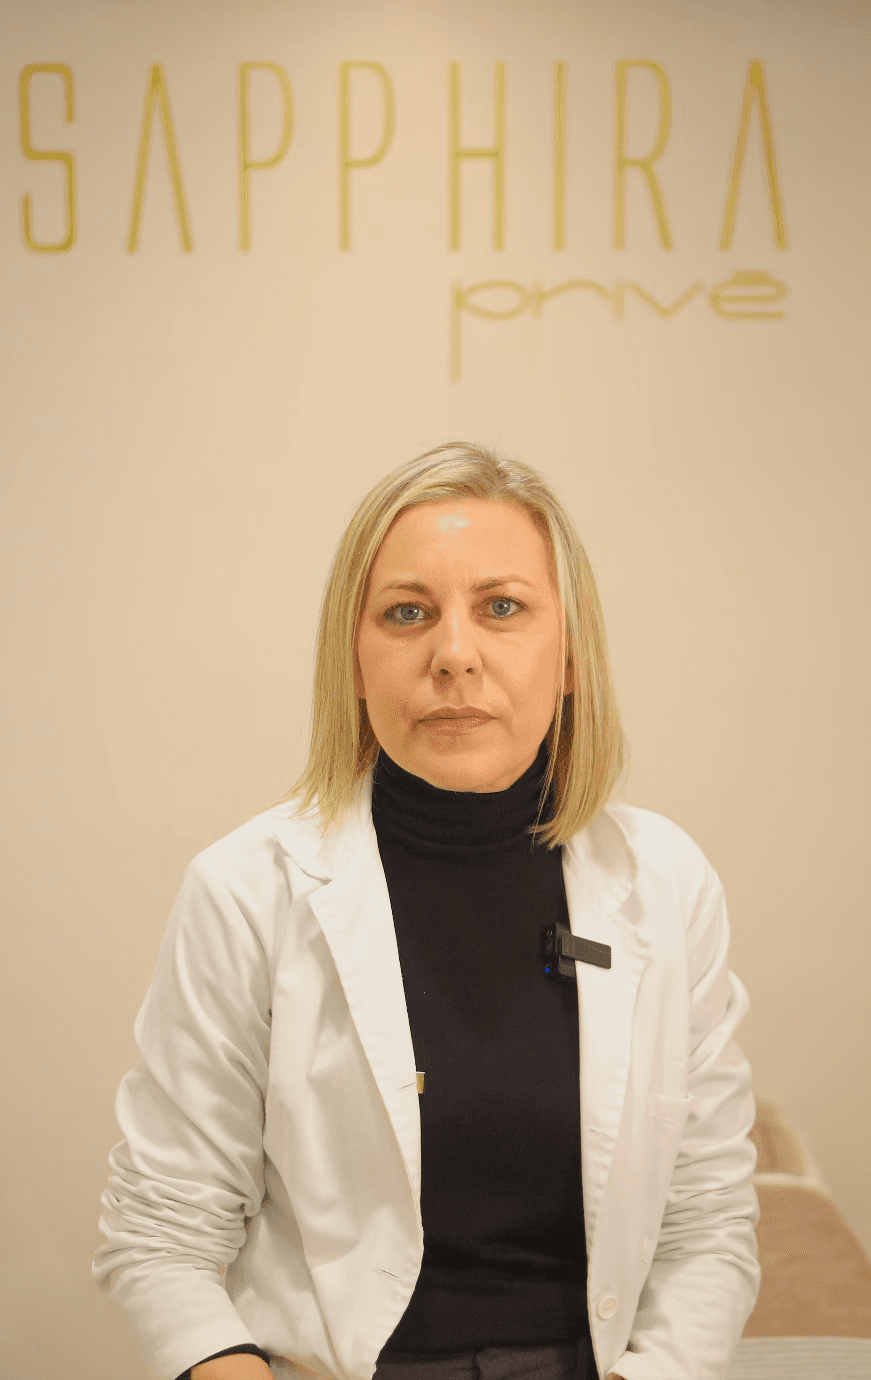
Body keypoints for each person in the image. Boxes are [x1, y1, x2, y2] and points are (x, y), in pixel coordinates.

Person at [92, 442, 761, 1380]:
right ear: (356, 663)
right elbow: (161, 1233)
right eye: (408, 614)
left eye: (503, 609)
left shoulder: (666, 880)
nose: (454, 655)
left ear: (570, 655)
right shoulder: (246, 889)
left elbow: (708, 1220)